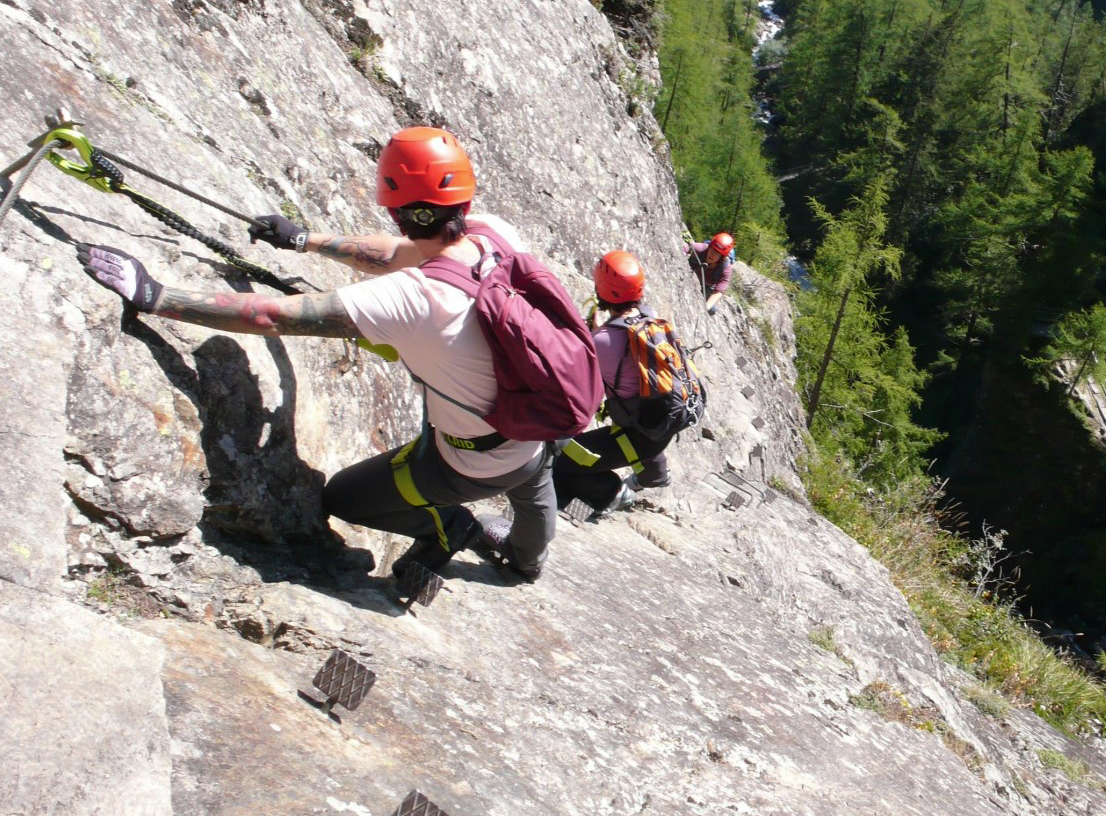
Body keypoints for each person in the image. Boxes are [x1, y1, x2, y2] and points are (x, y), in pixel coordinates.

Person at [78, 126, 555, 585]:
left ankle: (453, 529)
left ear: (397, 212)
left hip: (467, 463)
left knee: (347, 498)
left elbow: (271, 316)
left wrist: (156, 295)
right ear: (463, 201)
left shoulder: (413, 298)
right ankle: (526, 564)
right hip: (539, 420)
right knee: (533, 492)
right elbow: (396, 252)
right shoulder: (494, 235)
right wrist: (304, 240)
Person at [552, 251, 678, 519]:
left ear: (602, 289)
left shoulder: (603, 341)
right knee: (635, 421)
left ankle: (609, 494)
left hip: (637, 435)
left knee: (557, 461)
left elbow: (571, 373)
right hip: (659, 423)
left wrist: (595, 334)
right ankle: (655, 473)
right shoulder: (650, 319)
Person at [683, 232, 735, 315]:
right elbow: (687, 247)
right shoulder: (703, 248)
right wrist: (683, 252)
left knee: (711, 310)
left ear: (722, 257)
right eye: (712, 249)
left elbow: (719, 291)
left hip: (707, 286)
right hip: (694, 273)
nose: (712, 254)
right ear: (709, 247)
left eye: (717, 253)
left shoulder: (725, 268)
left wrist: (705, 307)